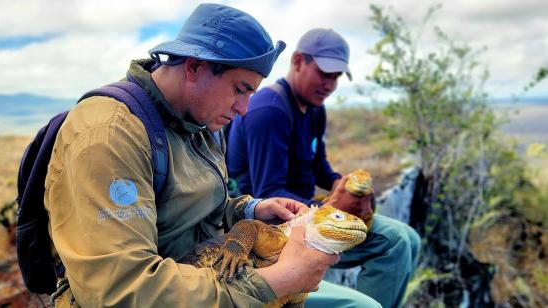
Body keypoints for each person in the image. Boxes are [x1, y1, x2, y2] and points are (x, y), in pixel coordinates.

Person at [43, 5, 348, 307]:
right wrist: (277, 281)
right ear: (194, 67)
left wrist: (249, 210)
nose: (244, 109)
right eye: (240, 89)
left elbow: (188, 210)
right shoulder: (109, 136)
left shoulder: (202, 122)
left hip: (215, 275)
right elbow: (119, 289)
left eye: (251, 93)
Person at [227, 28, 421, 308]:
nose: (330, 84)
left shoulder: (315, 108)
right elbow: (267, 193)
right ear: (297, 62)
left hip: (303, 211)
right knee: (394, 241)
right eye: (324, 73)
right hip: (271, 227)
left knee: (412, 239)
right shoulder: (270, 111)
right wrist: (331, 209)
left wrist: (345, 187)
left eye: (336, 77)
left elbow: (319, 166)